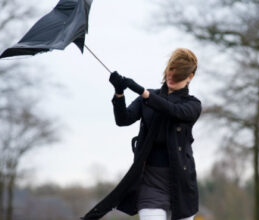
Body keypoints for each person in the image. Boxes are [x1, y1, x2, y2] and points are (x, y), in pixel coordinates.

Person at [82, 48, 202, 220]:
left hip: (181, 185)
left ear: (190, 77)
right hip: (150, 184)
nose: (171, 77)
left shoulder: (192, 105)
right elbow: (123, 119)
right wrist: (119, 93)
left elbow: (174, 111)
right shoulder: (148, 98)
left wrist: (142, 92)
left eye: (178, 75)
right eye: (170, 71)